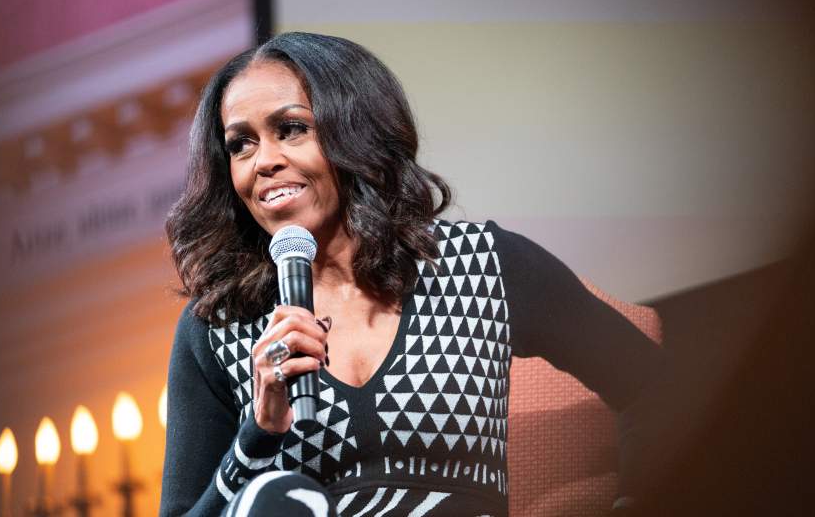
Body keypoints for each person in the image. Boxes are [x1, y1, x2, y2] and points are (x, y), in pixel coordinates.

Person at [160, 32, 663, 517]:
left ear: (355, 131)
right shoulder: (218, 326)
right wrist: (257, 434)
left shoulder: (478, 265)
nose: (264, 161)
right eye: (241, 145)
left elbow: (654, 386)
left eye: (291, 129)